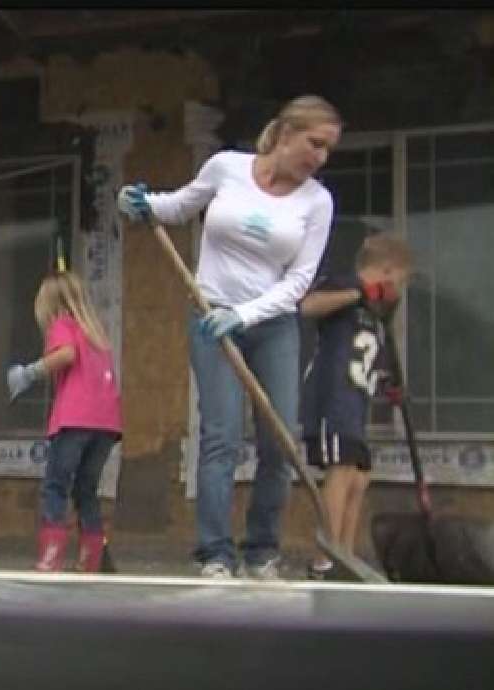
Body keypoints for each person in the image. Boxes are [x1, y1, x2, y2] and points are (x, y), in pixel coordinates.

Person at [117, 95, 341, 579]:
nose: (320, 158)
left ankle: (261, 552)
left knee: (278, 443)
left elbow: (298, 283)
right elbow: (179, 207)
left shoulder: (317, 202)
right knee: (218, 436)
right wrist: (141, 203)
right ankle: (215, 554)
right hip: (210, 317)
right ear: (284, 134)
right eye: (315, 143)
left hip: (272, 326)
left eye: (328, 150)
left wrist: (244, 315)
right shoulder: (226, 169)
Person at [300, 233, 411, 580]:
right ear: (386, 271)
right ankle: (325, 558)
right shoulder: (346, 286)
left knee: (359, 476)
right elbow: (307, 305)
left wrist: (390, 381)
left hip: (356, 401)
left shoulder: (376, 314)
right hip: (331, 396)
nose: (400, 290)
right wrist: (359, 292)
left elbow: (366, 353)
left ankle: (344, 555)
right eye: (400, 281)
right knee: (341, 469)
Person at [7, 272, 122, 573]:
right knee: (86, 490)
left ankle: (50, 559)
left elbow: (66, 355)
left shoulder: (63, 325)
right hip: (106, 425)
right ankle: (91, 561)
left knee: (55, 487)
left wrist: (29, 373)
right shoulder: (97, 335)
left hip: (74, 421)